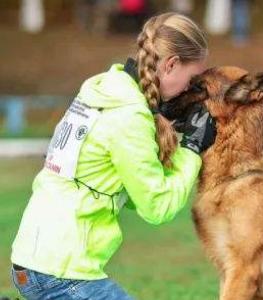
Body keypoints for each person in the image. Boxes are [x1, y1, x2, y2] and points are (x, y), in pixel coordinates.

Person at [10, 12, 215, 300]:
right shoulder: (129, 115)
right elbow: (157, 207)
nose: (189, 90)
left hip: (34, 258)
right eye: (191, 80)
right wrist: (192, 148)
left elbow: (133, 194)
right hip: (62, 272)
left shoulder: (106, 90)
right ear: (170, 65)